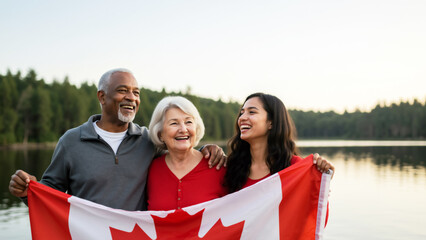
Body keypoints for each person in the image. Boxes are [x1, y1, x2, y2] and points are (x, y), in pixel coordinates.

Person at [8, 68, 225, 211]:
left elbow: (179, 149)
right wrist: (28, 190)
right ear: (102, 97)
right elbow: (48, 192)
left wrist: (207, 148)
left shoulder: (147, 140)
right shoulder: (71, 141)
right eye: (123, 91)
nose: (131, 98)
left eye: (136, 93)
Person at [224, 92, 334, 193]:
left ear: (271, 122)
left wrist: (323, 177)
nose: (242, 118)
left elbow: (312, 208)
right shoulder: (230, 167)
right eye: (242, 113)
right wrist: (208, 148)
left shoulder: (295, 167)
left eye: (252, 112)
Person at [147, 96, 227, 211]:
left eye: (188, 122)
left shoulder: (218, 165)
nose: (183, 129)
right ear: (160, 134)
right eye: (174, 123)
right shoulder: (151, 170)